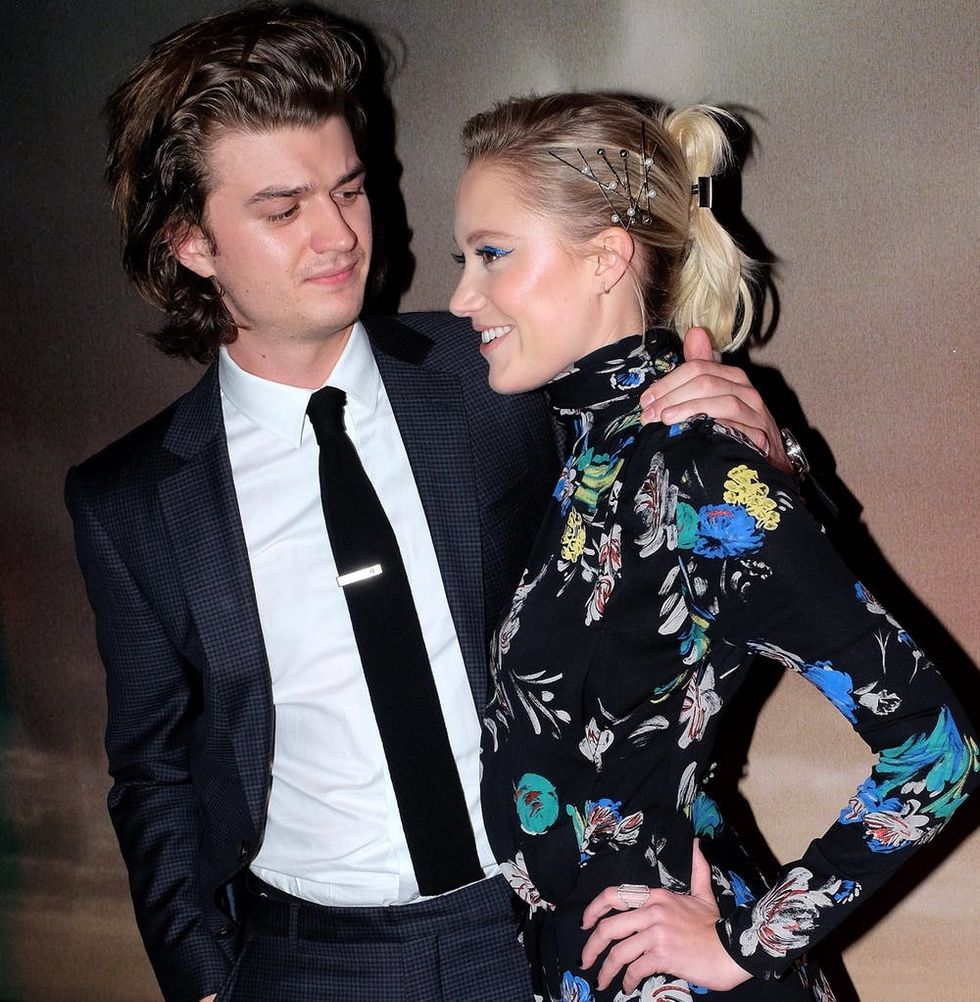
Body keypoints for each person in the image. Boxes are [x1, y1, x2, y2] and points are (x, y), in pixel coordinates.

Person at [66, 7, 792, 1001]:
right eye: (282, 209)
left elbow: (705, 553)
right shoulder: (132, 503)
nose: (337, 234)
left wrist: (764, 460)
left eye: (348, 188)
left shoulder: (500, 370)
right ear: (192, 242)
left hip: (554, 916)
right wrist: (199, 979)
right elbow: (151, 769)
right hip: (312, 961)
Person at [449, 92, 978, 1002]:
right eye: (464, 260)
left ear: (606, 258)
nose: (462, 296)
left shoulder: (694, 467)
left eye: (491, 254)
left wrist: (751, 943)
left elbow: (940, 747)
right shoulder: (585, 454)